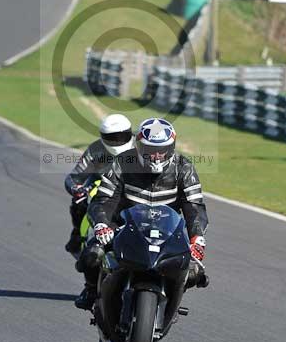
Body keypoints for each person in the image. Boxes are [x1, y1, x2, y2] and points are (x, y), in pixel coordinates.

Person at [74, 116, 208, 310]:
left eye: (162, 150)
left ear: (171, 148)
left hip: (167, 230)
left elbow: (194, 207)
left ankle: (171, 303)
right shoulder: (122, 162)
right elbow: (104, 199)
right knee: (92, 256)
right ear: (139, 147)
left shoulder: (184, 168)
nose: (156, 156)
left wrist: (197, 237)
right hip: (123, 225)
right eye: (151, 150)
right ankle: (91, 290)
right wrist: (102, 223)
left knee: (195, 272)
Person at [64, 114, 134, 255]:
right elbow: (74, 176)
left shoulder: (140, 148)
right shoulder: (95, 150)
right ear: (103, 137)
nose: (117, 141)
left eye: (121, 137)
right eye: (112, 138)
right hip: (100, 184)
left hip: (132, 186)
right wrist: (76, 188)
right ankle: (77, 234)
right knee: (79, 199)